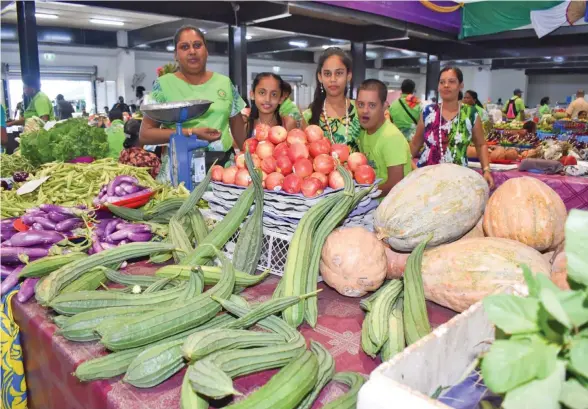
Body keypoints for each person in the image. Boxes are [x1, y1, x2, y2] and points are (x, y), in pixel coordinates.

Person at [139, 25, 246, 171]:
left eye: (197, 45)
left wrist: (248, 158)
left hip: (223, 167)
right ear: (176, 55)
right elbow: (145, 134)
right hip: (179, 168)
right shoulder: (163, 85)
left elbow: (237, 125)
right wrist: (191, 133)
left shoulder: (224, 83)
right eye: (184, 47)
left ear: (206, 51)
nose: (192, 51)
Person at [411, 66, 494, 189]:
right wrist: (411, 167)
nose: (446, 85)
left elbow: (481, 144)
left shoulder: (470, 114)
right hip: (426, 181)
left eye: (451, 81)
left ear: (461, 85)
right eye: (442, 82)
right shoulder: (428, 112)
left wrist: (486, 170)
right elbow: (415, 144)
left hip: (458, 183)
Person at [357, 79, 412, 197]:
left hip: (391, 209)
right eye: (361, 104)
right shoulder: (363, 133)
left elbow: (395, 184)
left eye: (372, 105)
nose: (365, 111)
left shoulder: (392, 138)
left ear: (384, 106)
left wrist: (362, 195)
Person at [303, 47, 361, 151]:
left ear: (349, 75)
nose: (333, 79)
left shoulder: (361, 111)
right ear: (320, 77)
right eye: (327, 74)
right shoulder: (308, 116)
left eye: (339, 73)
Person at [247, 73, 296, 139]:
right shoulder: (247, 126)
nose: (267, 99)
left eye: (274, 94)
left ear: (281, 99)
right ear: (252, 95)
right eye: (262, 93)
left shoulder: (288, 124)